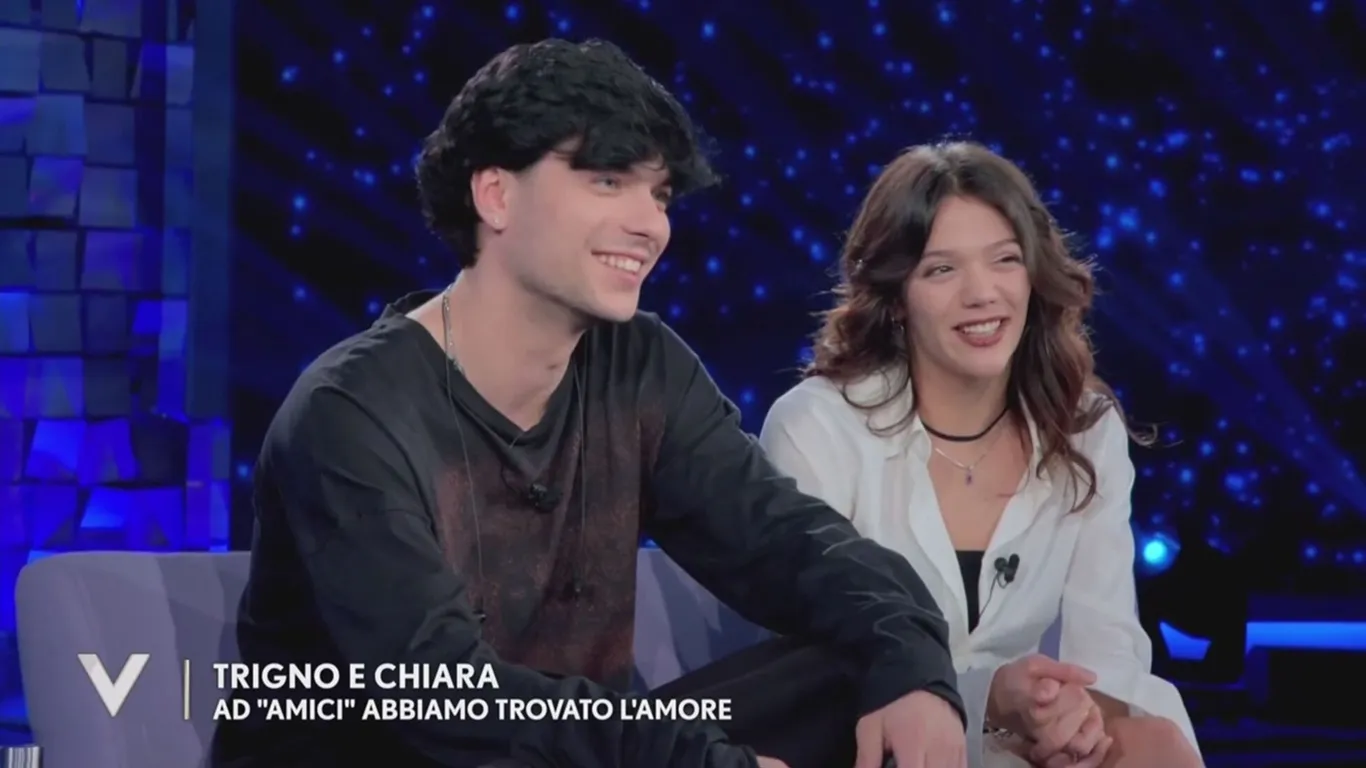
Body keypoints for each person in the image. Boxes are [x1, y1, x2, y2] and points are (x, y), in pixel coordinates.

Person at [211, 39, 970, 768]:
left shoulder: (641, 365)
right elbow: (440, 699)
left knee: (864, 667)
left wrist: (912, 664)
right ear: (495, 194)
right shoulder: (350, 414)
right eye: (608, 181)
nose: (650, 224)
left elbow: (788, 543)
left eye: (659, 193)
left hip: (575, 751)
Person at [758, 142, 1203, 768]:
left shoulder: (1082, 427)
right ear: (896, 295)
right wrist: (986, 696)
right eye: (942, 270)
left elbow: (1106, 640)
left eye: (1005, 260)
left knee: (1156, 746)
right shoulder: (818, 428)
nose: (982, 293)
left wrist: (1074, 720)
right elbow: (811, 666)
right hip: (872, 732)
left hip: (1019, 740)